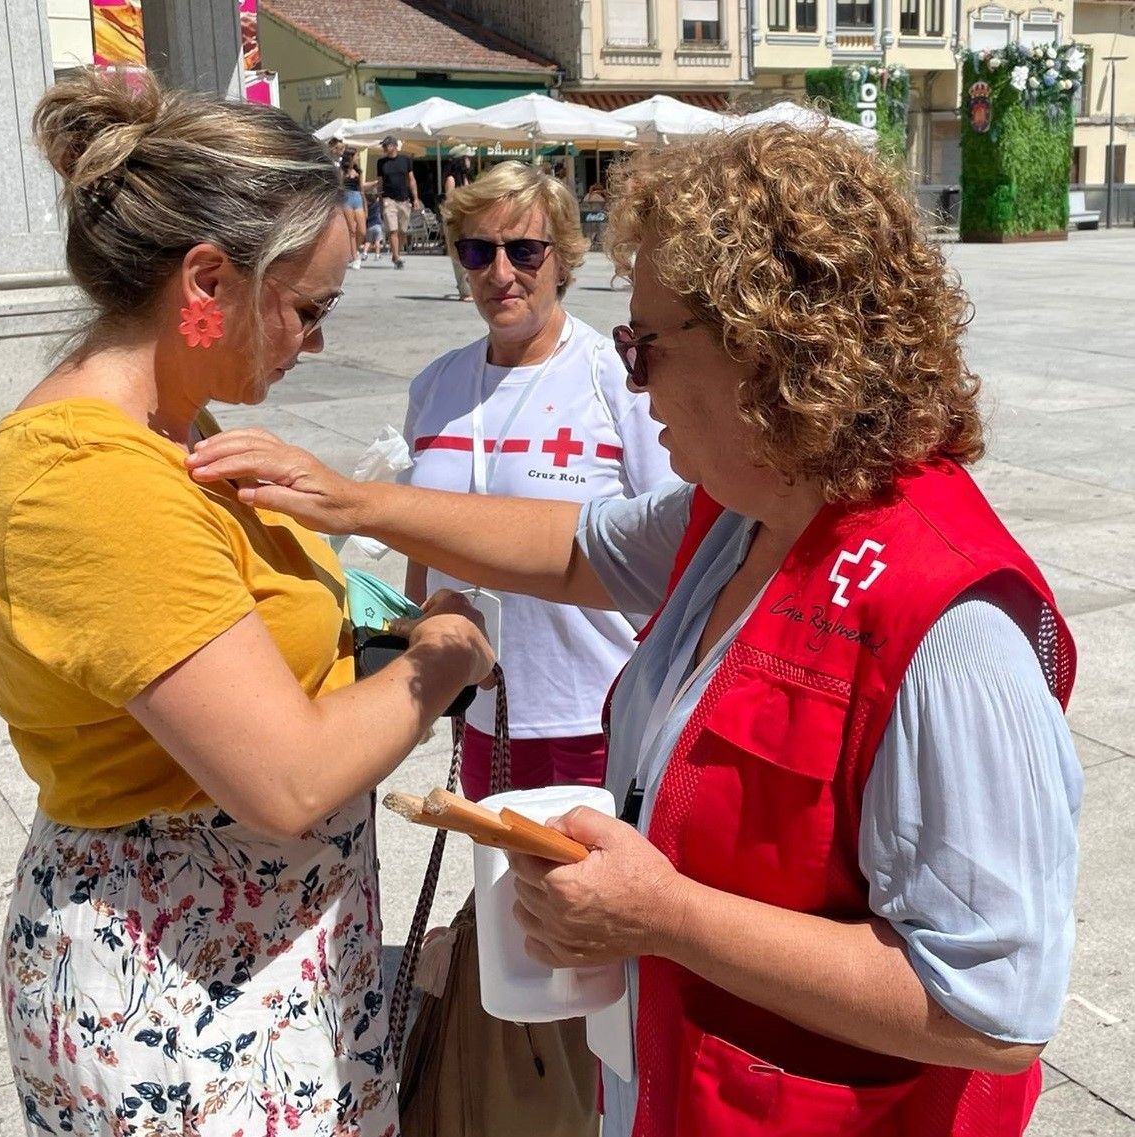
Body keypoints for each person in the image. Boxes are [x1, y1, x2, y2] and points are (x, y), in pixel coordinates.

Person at [187, 124, 1084, 1137]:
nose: (634, 382)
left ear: (767, 351)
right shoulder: (746, 511)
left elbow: (993, 1012)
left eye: (645, 345)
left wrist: (666, 918)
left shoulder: (949, 634)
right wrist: (354, 504)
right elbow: (574, 548)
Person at [0, 72, 494, 1137]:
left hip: (246, 965)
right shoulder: (93, 478)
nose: (317, 341)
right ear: (207, 278)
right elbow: (284, 777)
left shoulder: (170, 430)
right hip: (182, 993)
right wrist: (444, 654)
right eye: (308, 307)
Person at [398, 159, 675, 802]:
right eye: (477, 250)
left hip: (598, 714)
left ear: (565, 259)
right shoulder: (436, 385)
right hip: (480, 716)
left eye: (524, 250)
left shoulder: (617, 377)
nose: (501, 274)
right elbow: (420, 538)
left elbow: (676, 538)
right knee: (500, 900)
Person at [367, 136, 421, 269]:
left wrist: (415, 198)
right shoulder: (381, 162)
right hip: (388, 199)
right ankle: (396, 257)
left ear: (395, 146)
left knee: (402, 230)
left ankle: (395, 253)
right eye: (383, 146)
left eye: (386, 145)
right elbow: (380, 183)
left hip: (403, 199)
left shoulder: (405, 160)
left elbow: (411, 180)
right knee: (393, 230)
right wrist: (380, 201)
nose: (384, 148)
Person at [442, 153, 474, 300]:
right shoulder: (451, 179)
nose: (469, 160)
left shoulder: (465, 178)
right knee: (458, 255)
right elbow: (450, 201)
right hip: (455, 219)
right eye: (467, 157)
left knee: (468, 254)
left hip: (466, 219)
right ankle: (464, 290)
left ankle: (468, 288)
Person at [340, 145, 366, 269]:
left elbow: (361, 189)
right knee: (352, 230)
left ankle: (353, 250)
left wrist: (365, 205)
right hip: (346, 198)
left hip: (357, 198)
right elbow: (338, 188)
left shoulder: (358, 171)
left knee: (362, 230)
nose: (358, 157)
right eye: (356, 155)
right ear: (350, 157)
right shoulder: (341, 171)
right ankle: (355, 256)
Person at [361, 192, 385, 261]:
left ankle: (364, 254)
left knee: (368, 241)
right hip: (377, 225)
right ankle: (377, 255)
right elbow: (379, 199)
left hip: (369, 226)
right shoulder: (377, 205)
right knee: (377, 241)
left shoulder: (366, 207)